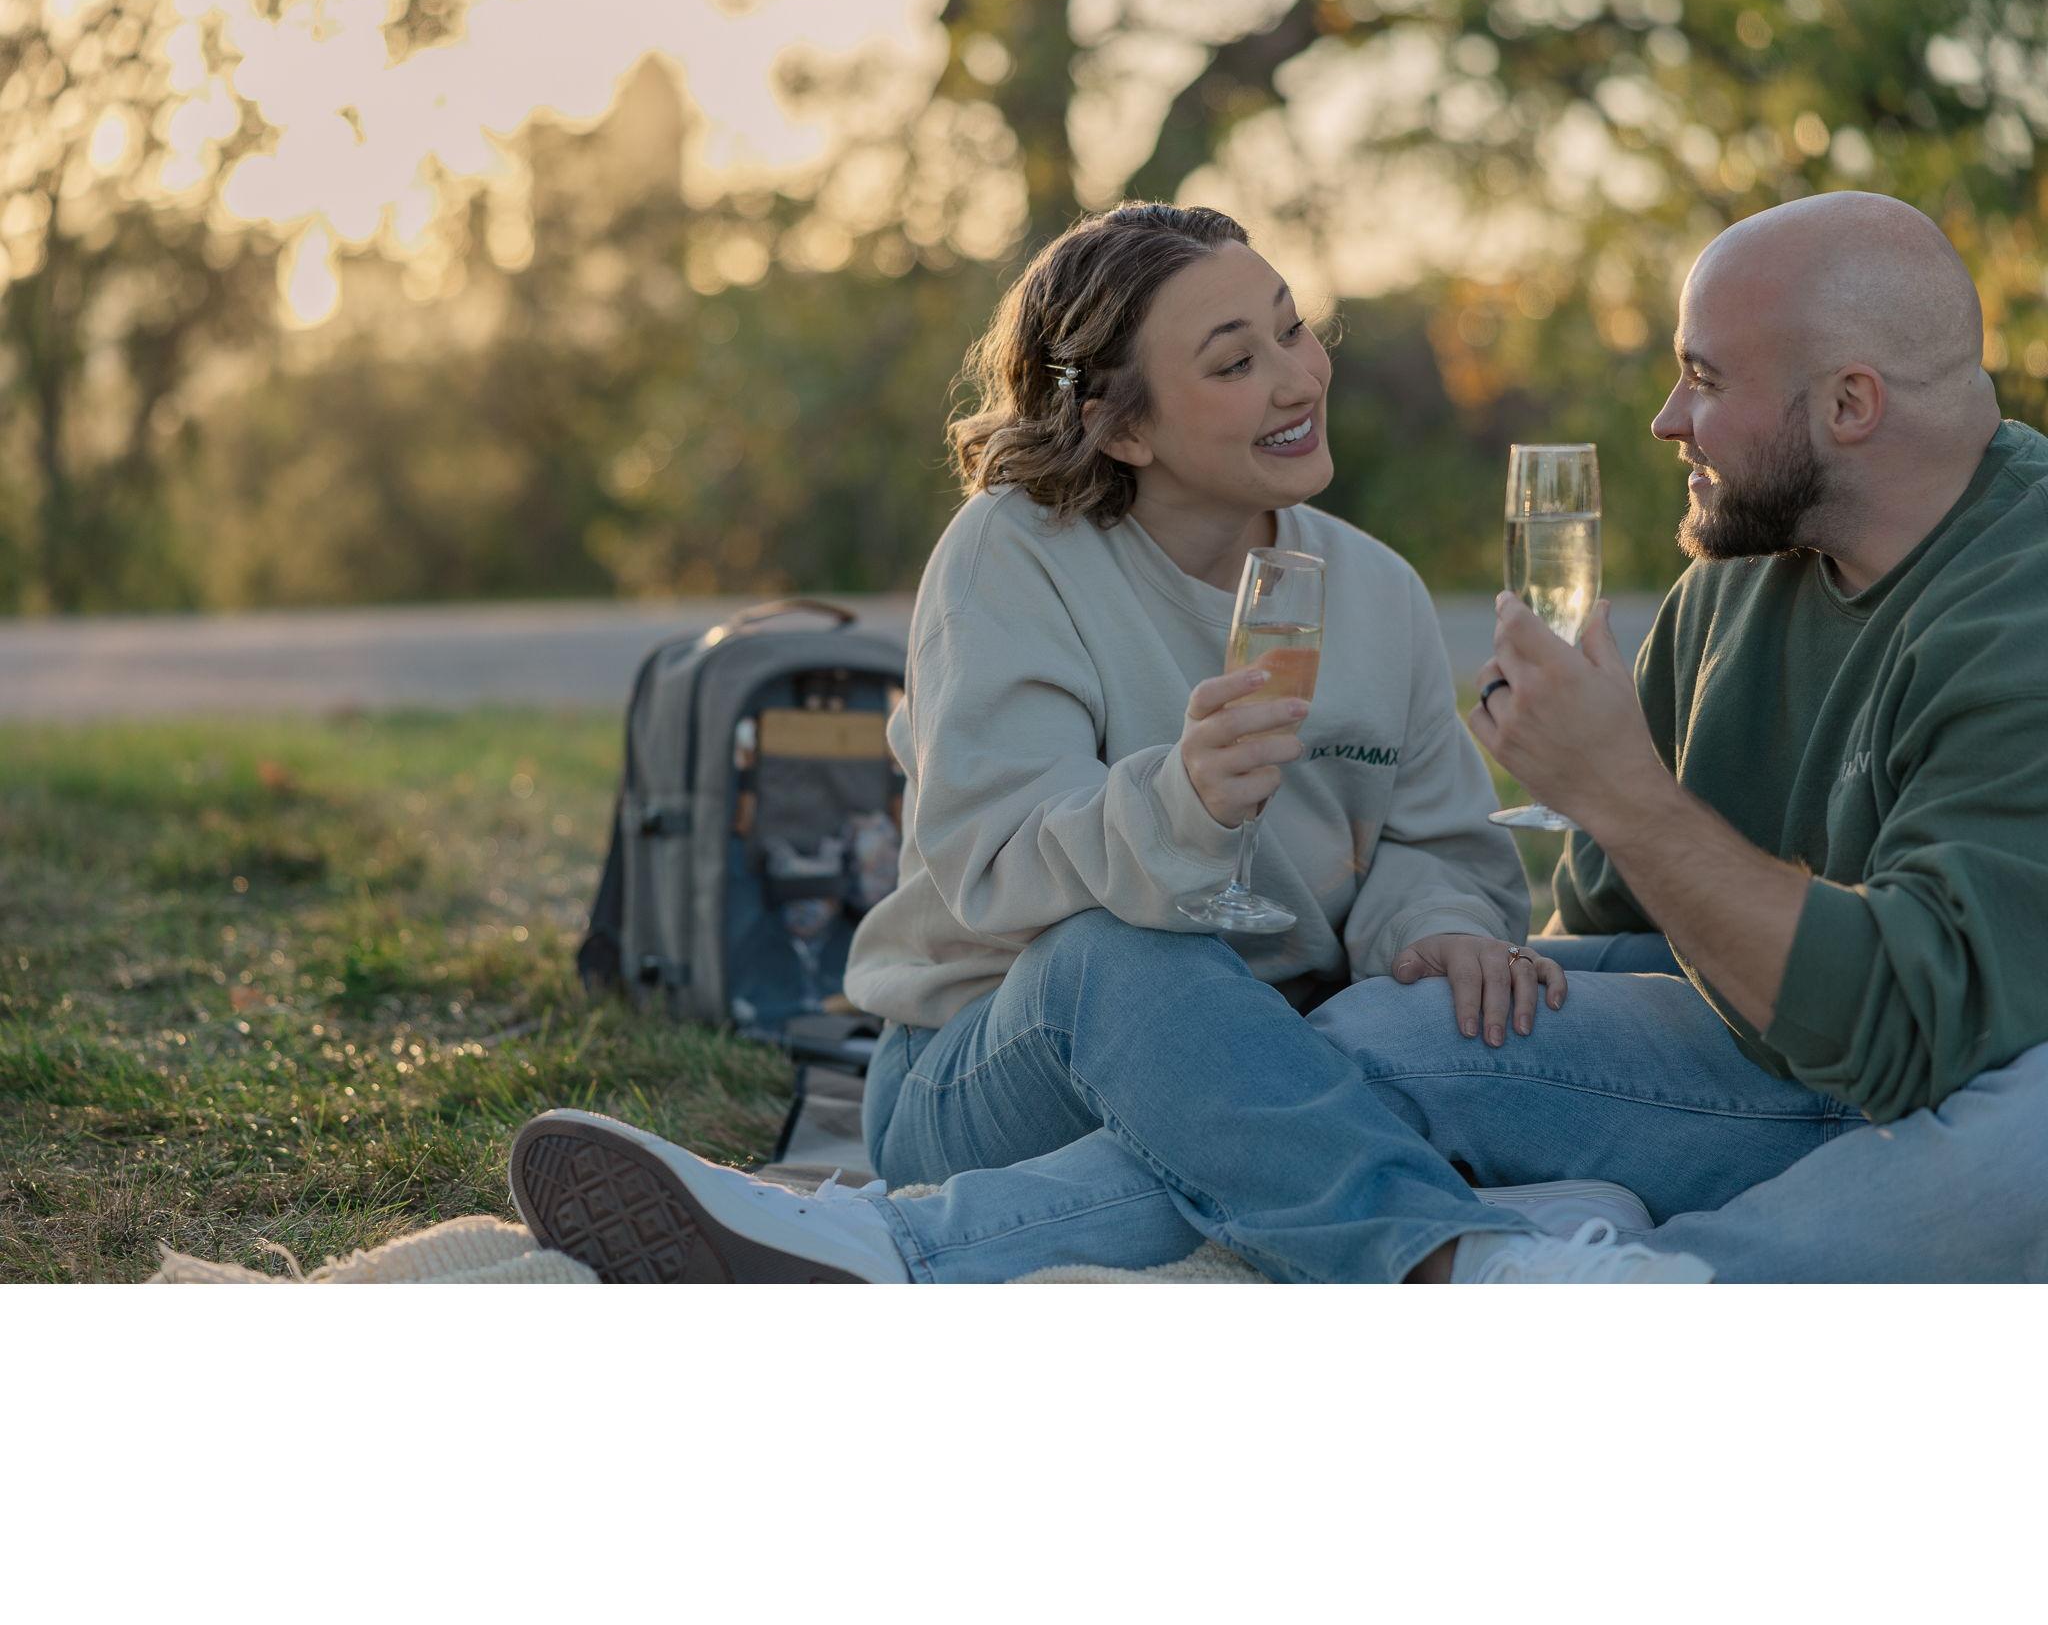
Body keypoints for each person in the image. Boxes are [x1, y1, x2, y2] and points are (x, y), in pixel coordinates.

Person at [508, 202, 1712, 1283]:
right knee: (1123, 956)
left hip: (1284, 1042)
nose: (1296, 377)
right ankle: (1460, 1255)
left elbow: (1426, 840)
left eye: (1291, 328)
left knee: (1638, 976)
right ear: (1119, 424)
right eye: (1234, 361)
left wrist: (1432, 926)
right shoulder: (1010, 556)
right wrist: (1182, 801)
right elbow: (992, 864)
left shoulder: (1373, 587)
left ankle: (919, 1240)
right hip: (992, 1056)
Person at [1306, 188, 2048, 1281]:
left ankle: (1657, 1281)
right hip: (1753, 1048)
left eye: (1703, 377)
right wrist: (1464, 951)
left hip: (1934, 1084)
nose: (1664, 419)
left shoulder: (2019, 606)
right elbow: (1614, 924)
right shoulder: (1742, 572)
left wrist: (1620, 792)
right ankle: (997, 1237)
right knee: (1384, 1028)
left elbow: (1914, 1031)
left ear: (1849, 403)